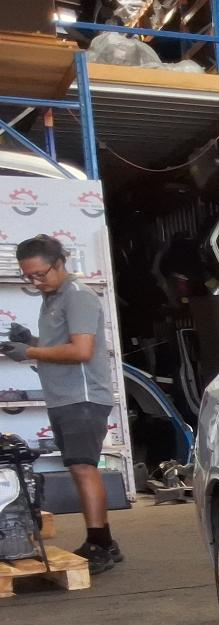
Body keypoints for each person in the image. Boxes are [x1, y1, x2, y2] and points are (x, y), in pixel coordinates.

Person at [0, 234, 122, 572]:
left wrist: (31, 351)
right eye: (29, 277)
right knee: (79, 467)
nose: (36, 282)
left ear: (59, 262)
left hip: (82, 397)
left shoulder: (77, 296)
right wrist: (31, 342)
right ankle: (105, 542)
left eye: (41, 274)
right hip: (64, 396)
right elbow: (62, 345)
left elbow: (81, 351)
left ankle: (99, 543)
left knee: (84, 467)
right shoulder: (52, 298)